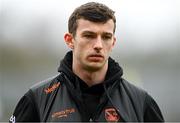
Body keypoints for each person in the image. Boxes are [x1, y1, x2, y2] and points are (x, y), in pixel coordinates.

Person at [9, 2, 164, 122]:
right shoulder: (37, 99)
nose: (98, 45)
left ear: (113, 42)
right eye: (89, 35)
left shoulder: (141, 102)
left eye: (106, 37)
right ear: (70, 40)